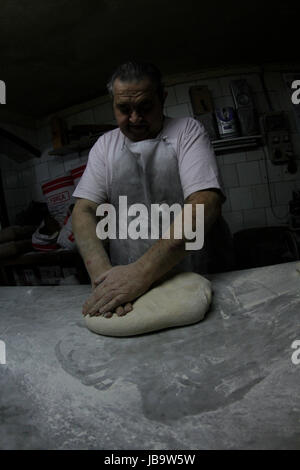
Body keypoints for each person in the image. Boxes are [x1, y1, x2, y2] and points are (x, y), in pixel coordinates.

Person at [72, 61, 234, 319]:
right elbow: (83, 210)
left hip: (194, 275)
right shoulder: (105, 146)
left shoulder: (187, 131)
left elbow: (206, 202)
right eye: (124, 109)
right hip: (131, 292)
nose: (135, 118)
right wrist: (105, 280)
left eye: (145, 107)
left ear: (162, 98)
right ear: (113, 104)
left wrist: (140, 273)